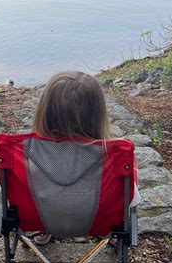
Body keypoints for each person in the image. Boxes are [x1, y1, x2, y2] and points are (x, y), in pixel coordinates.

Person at [30, 70, 140, 244]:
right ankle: (110, 234)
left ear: (44, 112)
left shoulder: (29, 155)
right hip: (96, 217)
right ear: (98, 115)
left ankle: (43, 229)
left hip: (43, 214)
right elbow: (131, 200)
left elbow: (6, 190)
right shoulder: (112, 158)